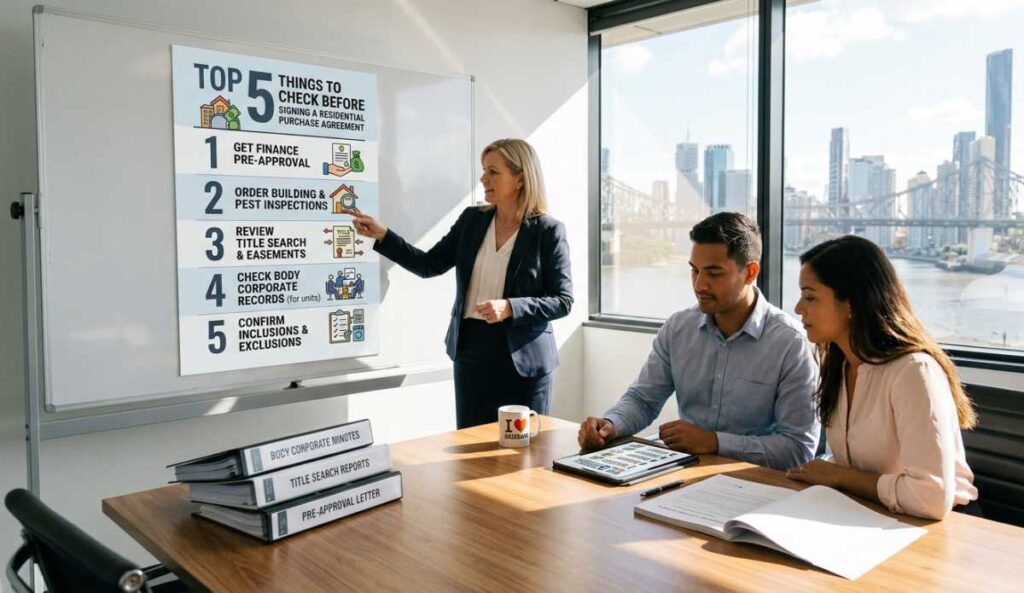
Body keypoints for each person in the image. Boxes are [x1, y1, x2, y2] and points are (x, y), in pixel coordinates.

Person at [343, 139, 573, 428]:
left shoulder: (549, 231)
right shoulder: (471, 220)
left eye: (493, 171)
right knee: (470, 445)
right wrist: (383, 236)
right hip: (471, 350)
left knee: (522, 455)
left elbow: (563, 301)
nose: (483, 179)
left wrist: (511, 307)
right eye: (483, 170)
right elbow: (429, 265)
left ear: (520, 178)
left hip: (523, 361)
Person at [578, 213, 819, 470]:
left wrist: (715, 442)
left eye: (714, 273)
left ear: (750, 272)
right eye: (694, 270)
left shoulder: (791, 344)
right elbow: (643, 399)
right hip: (685, 473)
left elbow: (798, 449)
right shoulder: (678, 328)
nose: (699, 284)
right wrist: (611, 425)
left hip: (756, 484)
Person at [786, 235, 978, 520]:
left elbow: (931, 497)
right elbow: (851, 464)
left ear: (851, 303)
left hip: (939, 527)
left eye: (810, 296)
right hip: (866, 515)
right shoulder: (838, 365)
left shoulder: (914, 372)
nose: (798, 308)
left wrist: (839, 476)